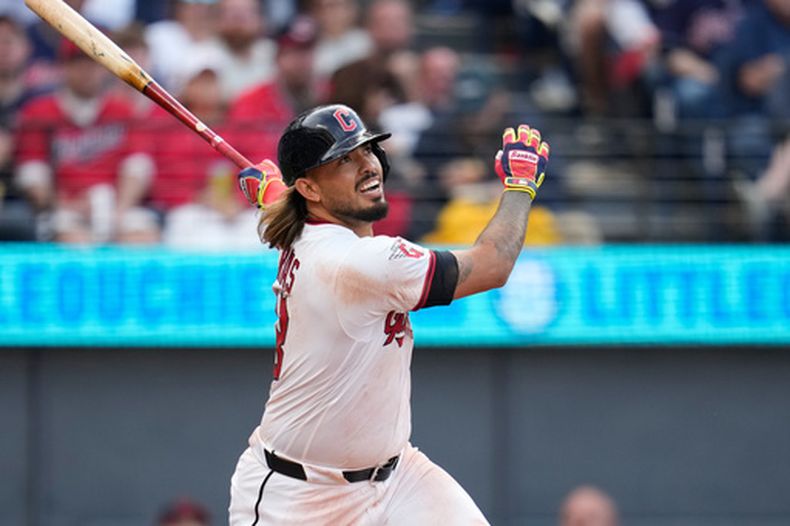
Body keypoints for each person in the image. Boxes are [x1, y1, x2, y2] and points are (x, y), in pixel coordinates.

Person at [228, 104, 549, 524]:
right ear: (309, 189)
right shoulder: (362, 261)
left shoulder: (309, 224)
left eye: (367, 150)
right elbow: (493, 263)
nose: (367, 166)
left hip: (398, 479)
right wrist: (521, 185)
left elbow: (284, 203)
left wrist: (271, 192)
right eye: (344, 160)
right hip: (297, 499)